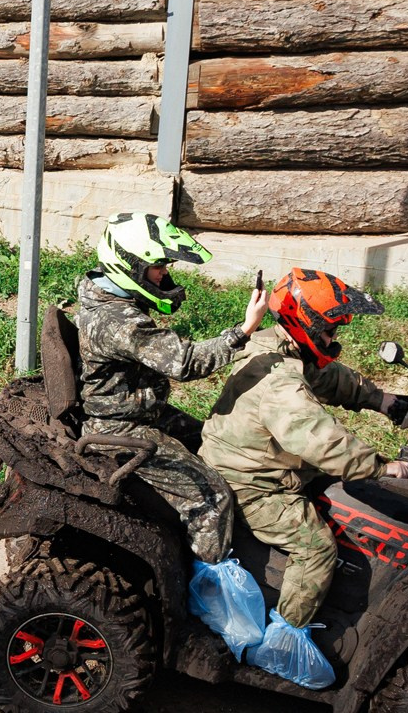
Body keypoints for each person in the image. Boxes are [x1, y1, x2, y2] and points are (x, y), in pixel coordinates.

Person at [201, 267, 408, 632]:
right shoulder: (281, 387)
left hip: (253, 457)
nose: (333, 337)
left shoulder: (273, 345)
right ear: (304, 325)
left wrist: (385, 401)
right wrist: (382, 468)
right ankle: (284, 639)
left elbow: (327, 377)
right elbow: (321, 440)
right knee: (317, 547)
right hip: (251, 484)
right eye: (329, 330)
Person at [73, 214, 269, 565]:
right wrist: (243, 331)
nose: (164, 272)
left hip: (137, 410)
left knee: (217, 439)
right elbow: (186, 362)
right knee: (211, 496)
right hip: (119, 427)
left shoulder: (102, 296)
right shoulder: (119, 322)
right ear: (128, 265)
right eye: (158, 265)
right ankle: (205, 590)